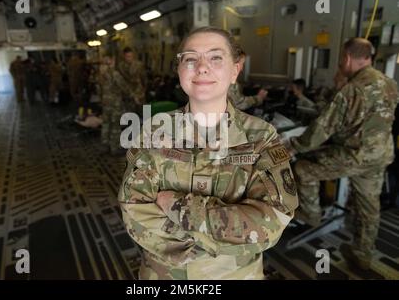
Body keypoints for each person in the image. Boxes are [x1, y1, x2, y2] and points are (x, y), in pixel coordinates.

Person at [118, 26, 298, 280]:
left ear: (235, 70)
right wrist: (221, 239)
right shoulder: (153, 131)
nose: (202, 67)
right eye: (190, 58)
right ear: (180, 70)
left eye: (215, 57)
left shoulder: (260, 137)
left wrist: (177, 204)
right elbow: (133, 209)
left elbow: (271, 222)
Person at [285, 38, 399, 270]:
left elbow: (322, 128)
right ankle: (363, 255)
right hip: (380, 155)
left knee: (302, 169)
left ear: (347, 58)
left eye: (340, 60)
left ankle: (311, 215)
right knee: (369, 206)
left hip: (354, 156)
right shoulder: (390, 83)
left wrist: (293, 146)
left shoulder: (351, 90)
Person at [98, 54, 130, 155]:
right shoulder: (114, 74)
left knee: (106, 124)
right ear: (111, 61)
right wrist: (131, 94)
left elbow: (99, 89)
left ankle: (104, 145)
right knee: (115, 125)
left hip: (105, 103)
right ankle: (114, 148)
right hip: (115, 103)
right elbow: (124, 87)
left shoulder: (100, 74)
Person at [118, 47, 147, 114]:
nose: (129, 58)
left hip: (139, 93)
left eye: (131, 56)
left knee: (145, 114)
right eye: (127, 56)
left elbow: (144, 79)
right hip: (127, 95)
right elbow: (121, 82)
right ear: (124, 56)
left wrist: (143, 91)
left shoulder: (139, 65)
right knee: (129, 116)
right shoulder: (121, 66)